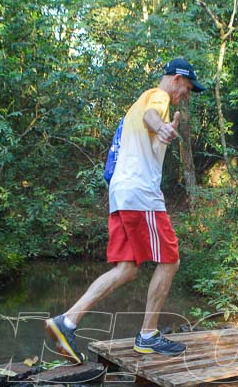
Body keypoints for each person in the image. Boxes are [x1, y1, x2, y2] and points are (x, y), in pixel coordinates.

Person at [45, 58, 206, 363]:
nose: (187, 94)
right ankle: (147, 336)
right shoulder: (157, 97)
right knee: (170, 260)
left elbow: (141, 131)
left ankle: (66, 323)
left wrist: (161, 133)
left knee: (127, 269)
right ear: (175, 79)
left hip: (121, 193)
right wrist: (161, 126)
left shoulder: (135, 106)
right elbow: (151, 116)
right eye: (187, 88)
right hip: (141, 195)